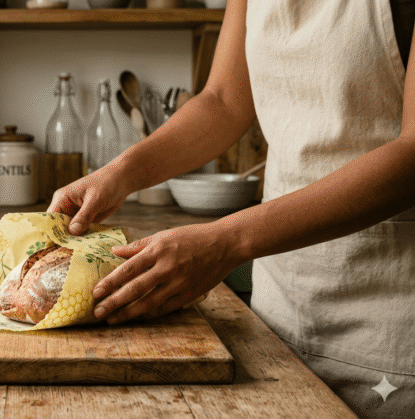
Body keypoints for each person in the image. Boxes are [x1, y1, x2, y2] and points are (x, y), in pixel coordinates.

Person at [46, 1, 415, 417]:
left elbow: (412, 154)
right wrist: (121, 172)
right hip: (279, 309)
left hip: (387, 323)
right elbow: (224, 101)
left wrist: (226, 241)